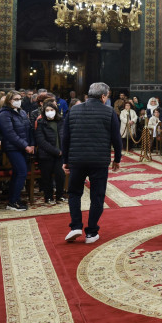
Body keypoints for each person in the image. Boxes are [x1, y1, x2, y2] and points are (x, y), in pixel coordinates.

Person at [63, 82, 123, 244]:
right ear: (103, 96)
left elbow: (65, 137)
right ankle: (91, 232)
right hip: (99, 161)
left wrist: (65, 161)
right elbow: (116, 139)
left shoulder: (74, 110)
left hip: (77, 160)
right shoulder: (109, 112)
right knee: (97, 196)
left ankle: (75, 226)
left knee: (74, 193)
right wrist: (117, 158)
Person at [0, 90, 35, 211]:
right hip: (12, 147)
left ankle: (14, 199)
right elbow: (10, 134)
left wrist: (32, 144)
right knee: (22, 172)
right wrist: (25, 145)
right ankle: (13, 202)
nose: (18, 101)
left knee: (19, 173)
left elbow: (29, 129)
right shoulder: (4, 114)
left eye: (20, 99)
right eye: (15, 99)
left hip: (23, 147)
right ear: (9, 100)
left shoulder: (22, 112)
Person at [35, 100, 66, 205]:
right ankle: (48, 197)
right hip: (46, 155)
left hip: (60, 154)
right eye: (47, 110)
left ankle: (59, 196)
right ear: (44, 112)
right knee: (46, 177)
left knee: (60, 175)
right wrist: (56, 151)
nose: (49, 112)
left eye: (51, 110)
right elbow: (41, 141)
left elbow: (65, 136)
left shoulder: (61, 121)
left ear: (56, 111)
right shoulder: (41, 123)